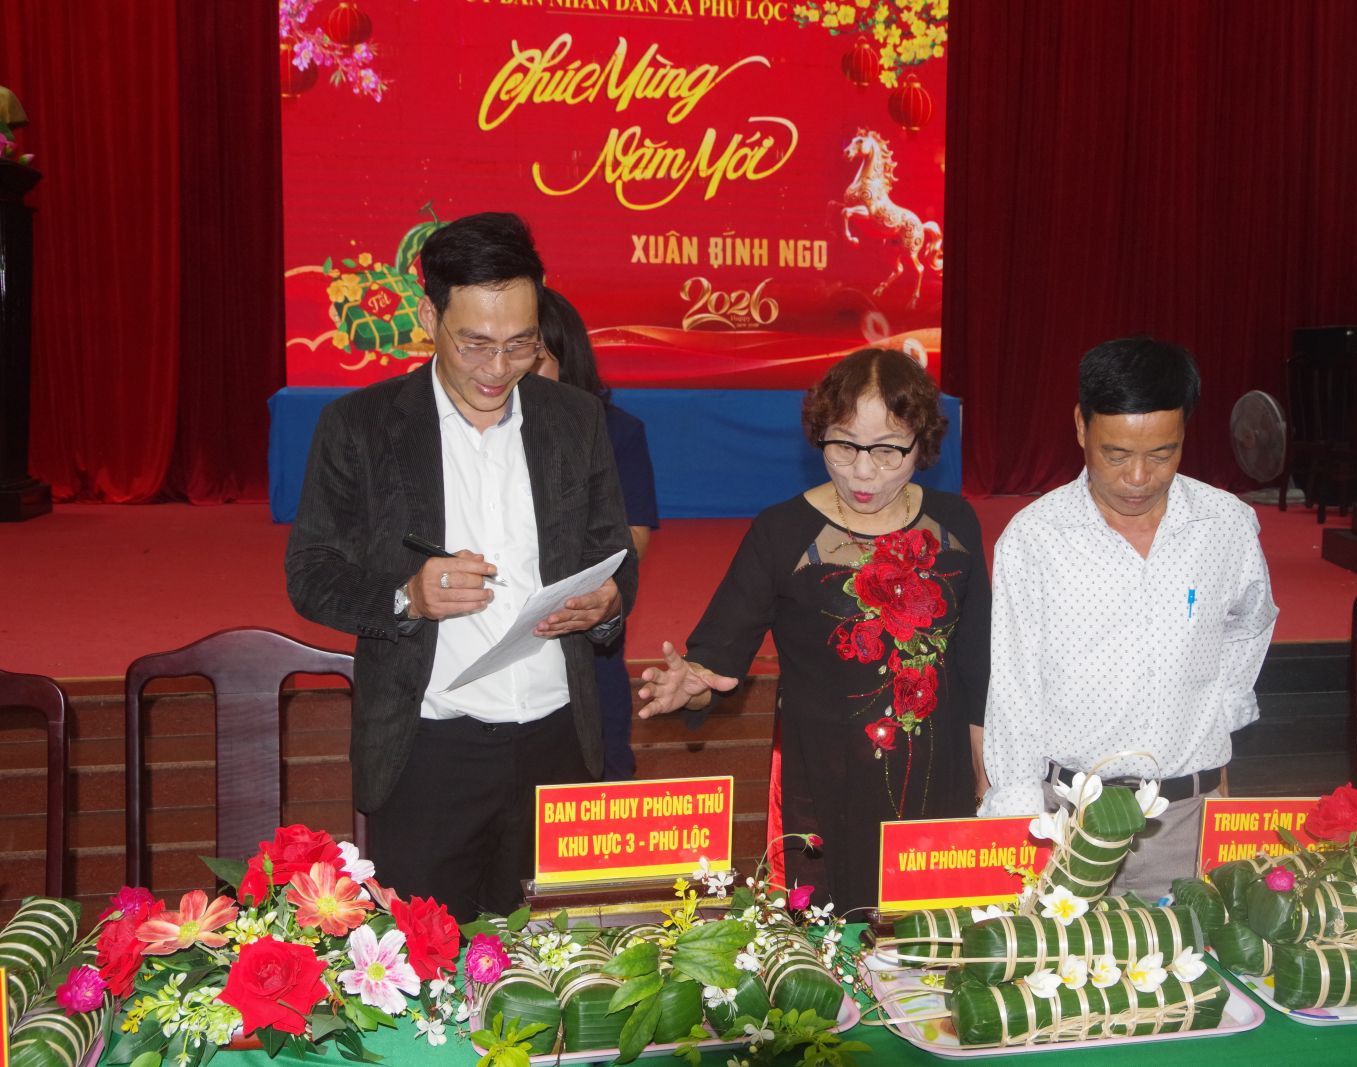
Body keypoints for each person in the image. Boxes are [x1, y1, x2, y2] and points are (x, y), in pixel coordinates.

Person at [285, 212, 637, 919]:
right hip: (429, 748)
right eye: (475, 343)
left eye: (520, 344)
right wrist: (407, 596)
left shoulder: (574, 419)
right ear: (429, 318)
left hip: (558, 742)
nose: (498, 368)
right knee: (429, 958)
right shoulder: (360, 427)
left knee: (555, 959)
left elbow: (613, 556)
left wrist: (607, 603)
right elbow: (311, 572)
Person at [636, 348, 990, 915]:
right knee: (834, 931)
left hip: (935, 770)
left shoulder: (955, 523)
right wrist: (694, 684)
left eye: (888, 450)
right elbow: (716, 657)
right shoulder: (783, 532)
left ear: (921, 442)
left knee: (935, 929)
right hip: (827, 778)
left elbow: (974, 657)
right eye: (843, 446)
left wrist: (984, 763)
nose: (863, 471)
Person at [978, 336, 1278, 902]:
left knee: (1192, 954)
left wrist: (1220, 709)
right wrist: (1016, 813)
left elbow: (1251, 620)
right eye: (1115, 455)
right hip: (1069, 822)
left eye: (1162, 454)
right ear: (1081, 426)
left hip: (1186, 819)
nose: (1138, 477)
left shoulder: (1225, 525)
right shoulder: (1035, 538)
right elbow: (1014, 685)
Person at [536, 287, 659, 779]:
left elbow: (634, 541)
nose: (513, 372)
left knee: (599, 771)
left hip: (584, 631)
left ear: (567, 359)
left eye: (536, 358)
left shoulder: (615, 431)